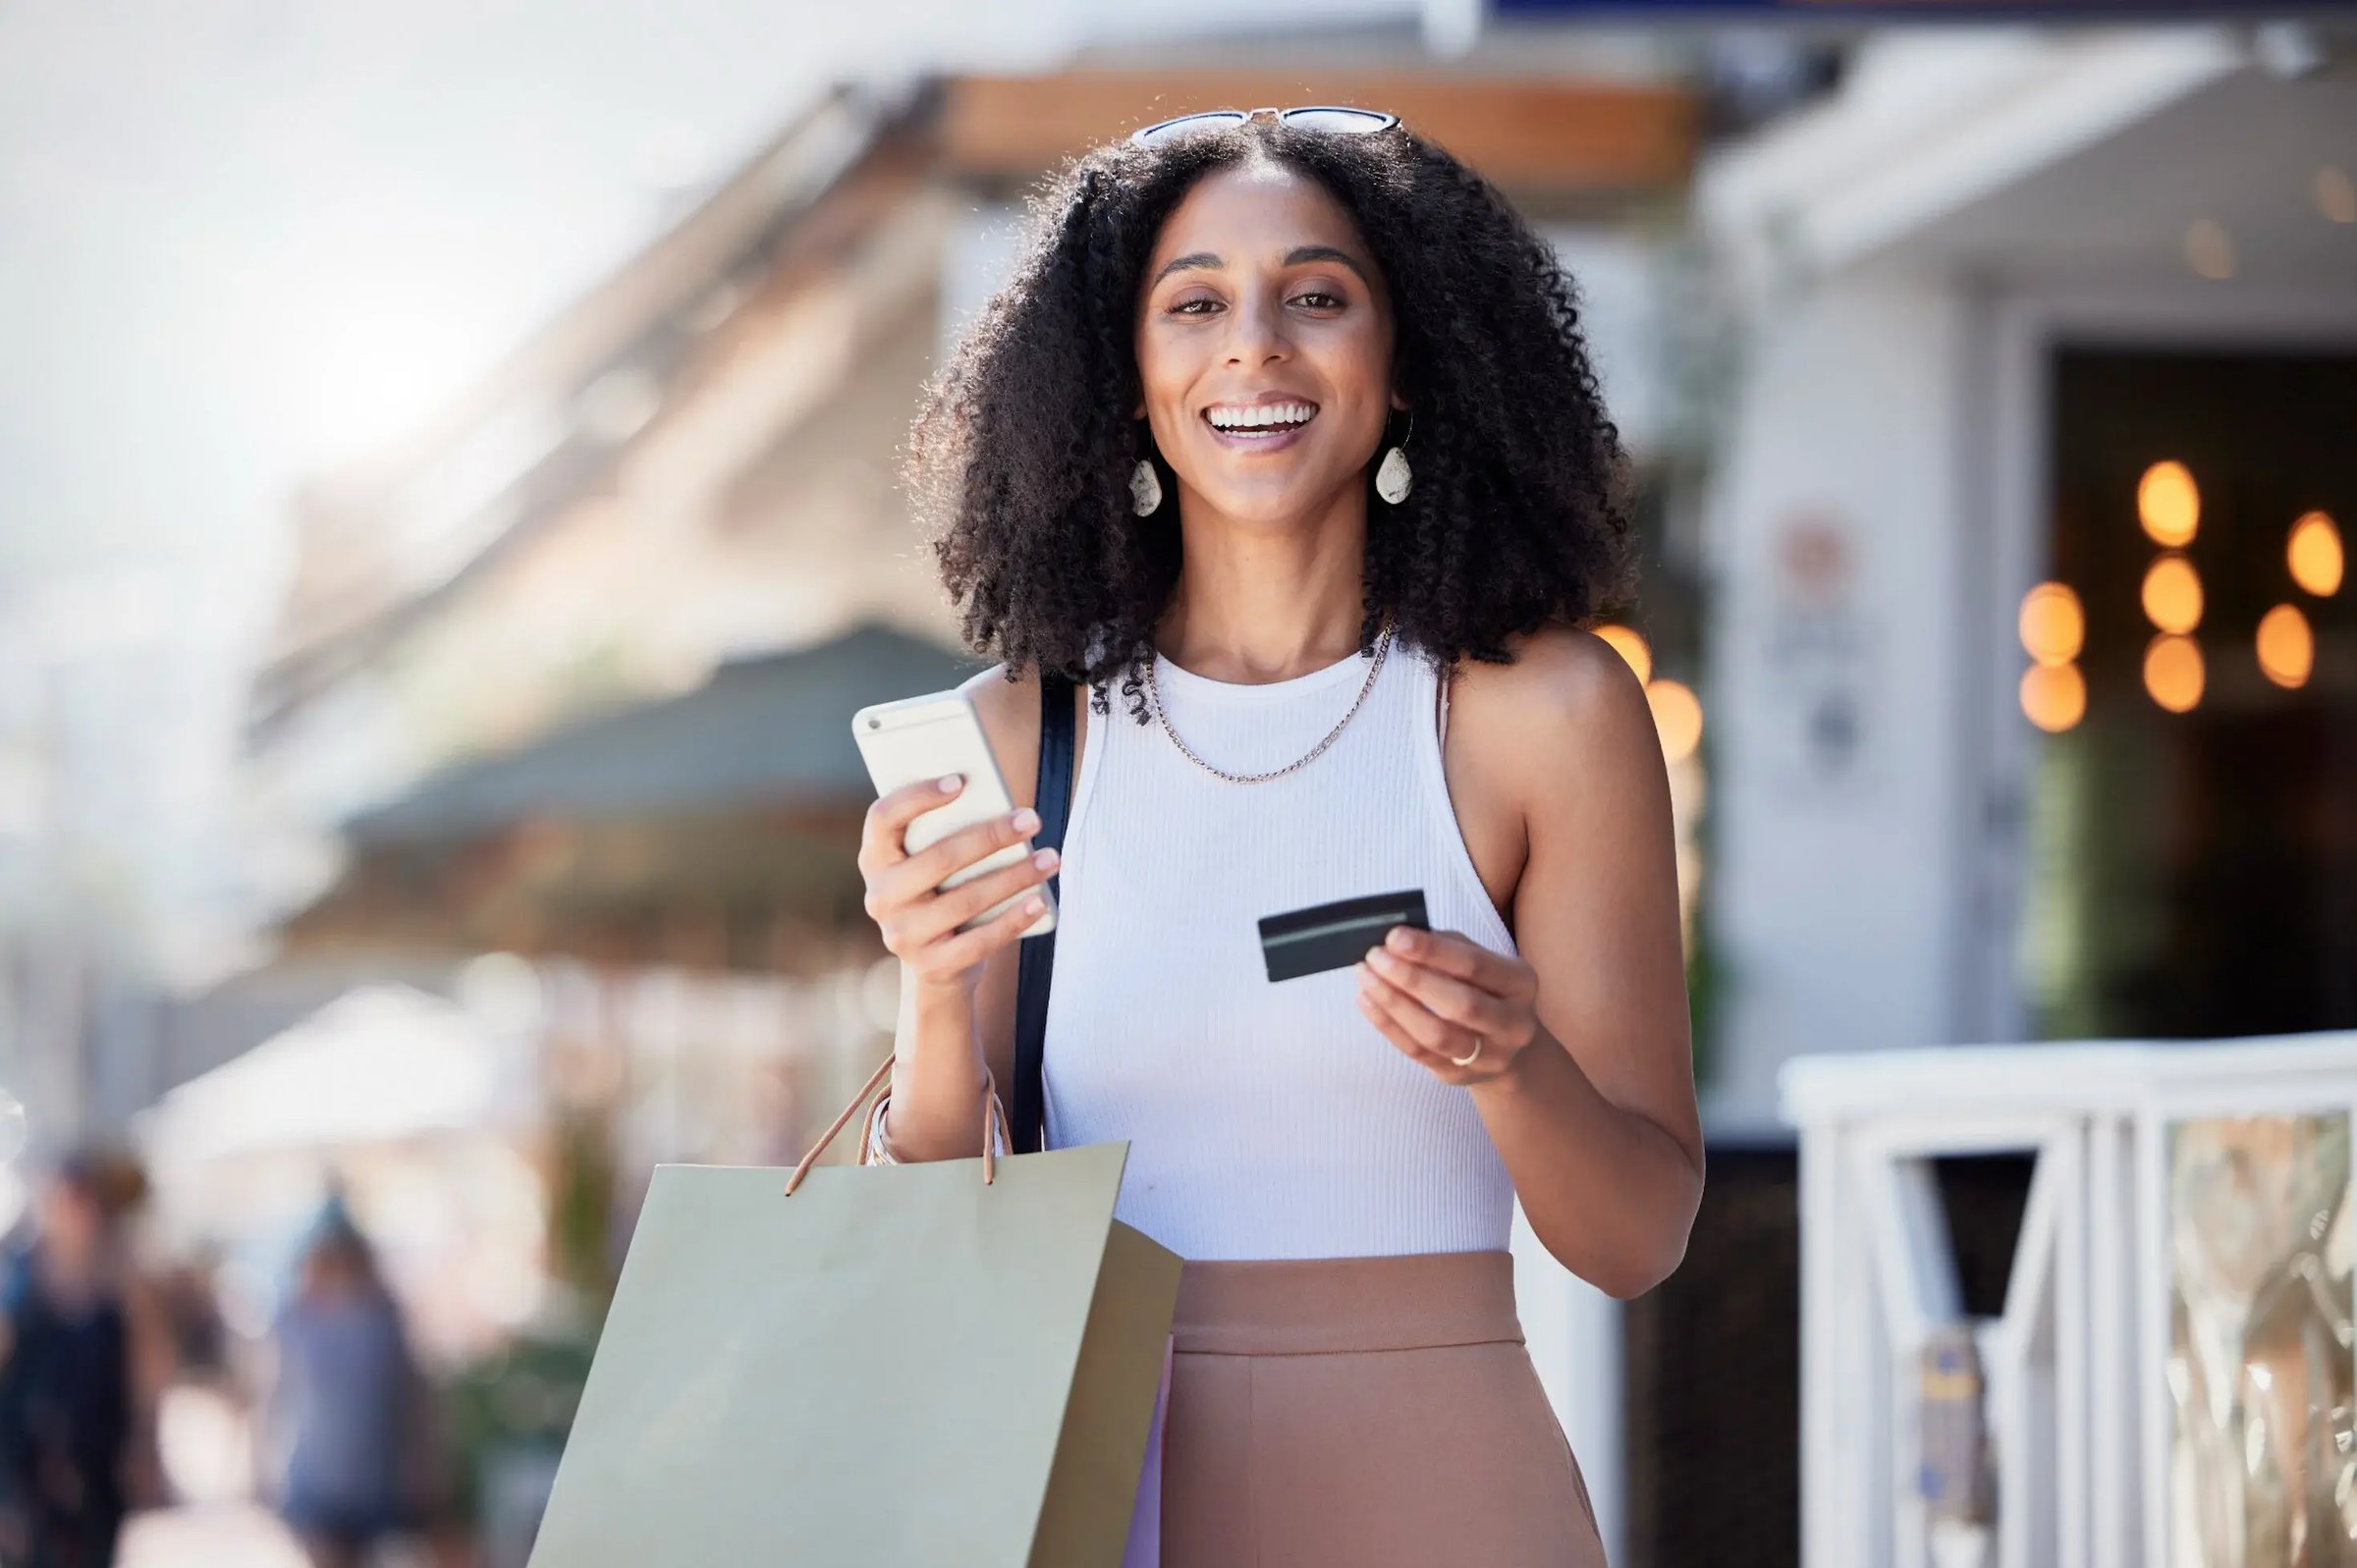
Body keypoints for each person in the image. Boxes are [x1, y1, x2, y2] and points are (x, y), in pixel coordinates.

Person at [863, 106, 1705, 1564]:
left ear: (1410, 363)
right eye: (1194, 304)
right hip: (1096, 1479)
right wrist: (933, 992)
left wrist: (1508, 1062)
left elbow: (1635, 1240)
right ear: (1122, 381)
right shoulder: (1018, 735)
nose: (1254, 344)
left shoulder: (1545, 714)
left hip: (1446, 1489)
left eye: (1317, 295)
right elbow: (936, 1231)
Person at [261, 1192, 437, 1568]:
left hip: (372, 1478)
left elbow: (410, 1395)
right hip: (317, 1477)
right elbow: (274, 1392)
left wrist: (423, 1460)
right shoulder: (297, 1318)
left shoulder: (382, 1317)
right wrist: (259, 1460)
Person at [0, 1156, 135, 1568]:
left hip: (96, 1475)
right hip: (30, 1478)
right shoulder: (18, 1289)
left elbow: (132, 1381)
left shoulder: (114, 1293)